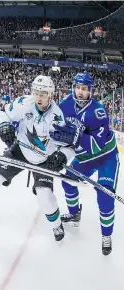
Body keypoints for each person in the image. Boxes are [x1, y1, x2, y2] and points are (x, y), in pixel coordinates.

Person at [0, 75, 80, 241]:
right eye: (36, 92)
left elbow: (69, 147)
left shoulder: (57, 117)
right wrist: (4, 126)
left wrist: (62, 156)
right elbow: (4, 114)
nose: (38, 97)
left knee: (44, 196)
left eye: (43, 93)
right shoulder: (24, 103)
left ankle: (56, 225)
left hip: (44, 160)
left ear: (51, 95)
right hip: (20, 151)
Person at [57, 73, 119, 255]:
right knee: (67, 180)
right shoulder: (65, 105)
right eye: (78, 87)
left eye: (85, 89)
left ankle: (106, 235)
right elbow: (57, 132)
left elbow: (95, 146)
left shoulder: (98, 111)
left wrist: (75, 137)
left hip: (105, 157)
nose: (81, 92)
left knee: (105, 197)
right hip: (85, 158)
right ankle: (75, 214)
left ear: (91, 91)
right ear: (73, 87)